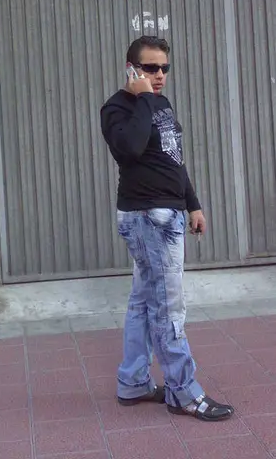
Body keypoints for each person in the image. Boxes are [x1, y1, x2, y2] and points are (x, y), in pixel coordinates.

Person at [100, 35, 234, 422]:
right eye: (150, 68)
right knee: (168, 307)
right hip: (148, 217)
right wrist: (143, 97)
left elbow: (174, 158)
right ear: (131, 69)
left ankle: (133, 382)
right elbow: (130, 148)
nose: (159, 75)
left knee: (144, 301)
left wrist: (193, 203)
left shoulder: (161, 103)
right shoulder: (116, 108)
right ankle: (183, 392)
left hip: (167, 212)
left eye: (164, 68)